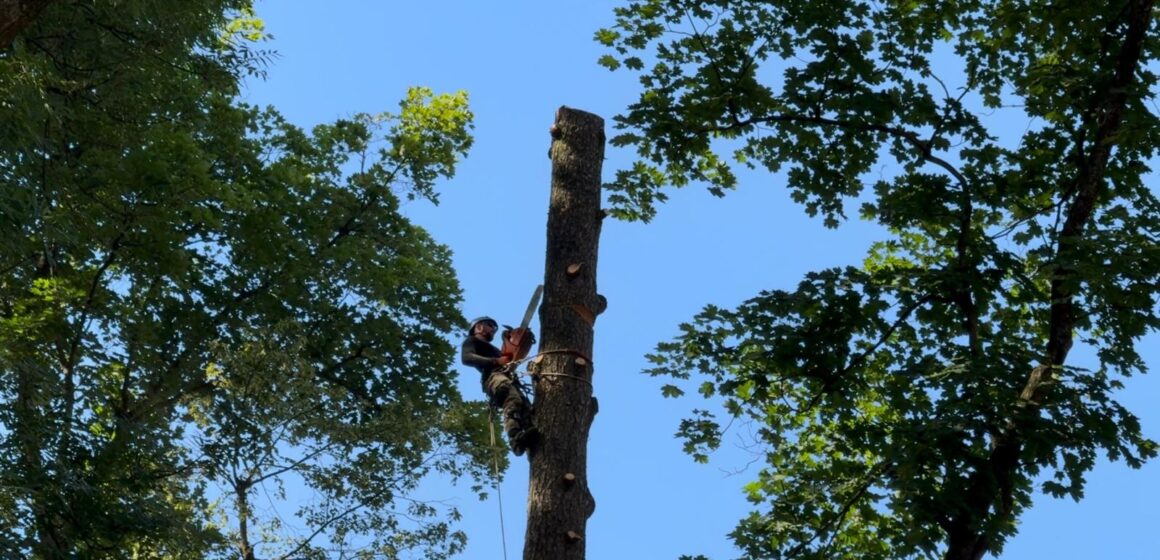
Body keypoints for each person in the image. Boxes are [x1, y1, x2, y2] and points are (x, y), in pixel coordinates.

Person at [461, 316, 539, 456]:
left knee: (525, 408)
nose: (492, 330)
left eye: (494, 327)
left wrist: (515, 341)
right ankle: (515, 436)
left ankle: (528, 438)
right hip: (493, 378)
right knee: (511, 396)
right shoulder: (471, 341)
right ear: (478, 327)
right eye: (489, 325)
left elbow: (511, 358)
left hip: (507, 377)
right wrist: (496, 361)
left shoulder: (496, 350)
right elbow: (466, 358)